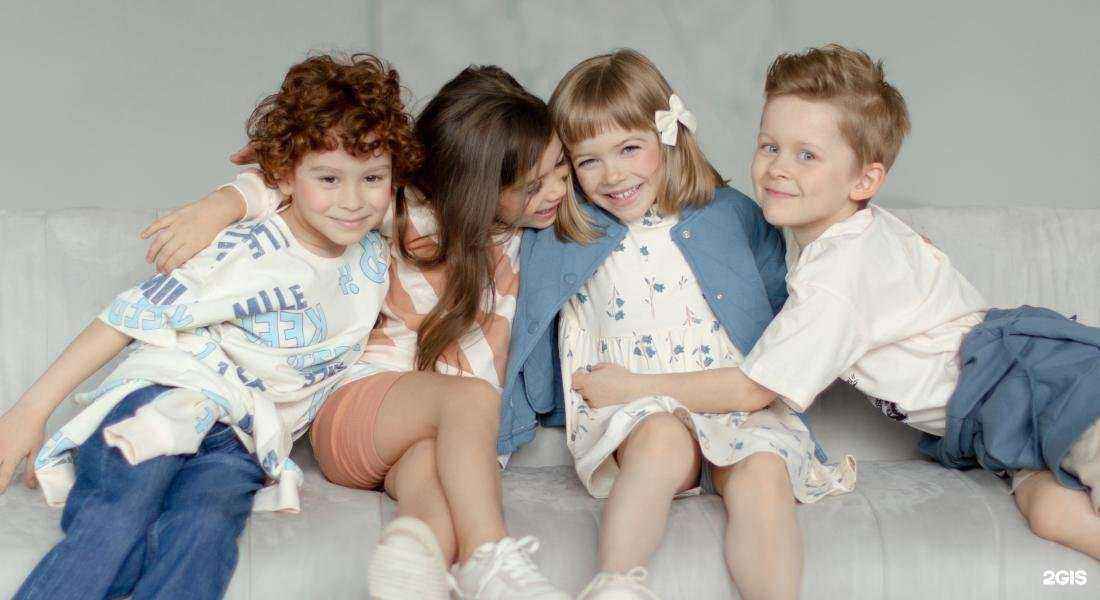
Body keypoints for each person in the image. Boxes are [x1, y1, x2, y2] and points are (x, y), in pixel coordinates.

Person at [587, 43, 1100, 563]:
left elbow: (752, 390)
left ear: (865, 180)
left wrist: (632, 386)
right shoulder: (830, 237)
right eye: (769, 147)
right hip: (999, 424)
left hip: (1044, 386)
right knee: (1052, 514)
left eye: (806, 155)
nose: (778, 169)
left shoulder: (841, 271)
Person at [140, 65, 585, 599]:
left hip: (422, 441)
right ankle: (493, 559)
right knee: (470, 397)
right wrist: (224, 203)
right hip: (357, 413)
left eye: (561, 167)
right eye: (533, 185)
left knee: (432, 497)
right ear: (477, 186)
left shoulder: (533, 239)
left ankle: (411, 564)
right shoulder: (406, 214)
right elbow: (309, 183)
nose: (558, 189)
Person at [0, 52, 416, 599]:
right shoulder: (249, 248)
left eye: (372, 178)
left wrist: (236, 195)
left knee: (202, 533)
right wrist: (30, 411)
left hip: (241, 442)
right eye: (329, 178)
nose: (353, 200)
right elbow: (128, 317)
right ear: (287, 174)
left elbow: (454, 200)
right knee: (119, 521)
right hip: (167, 399)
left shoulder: (378, 246)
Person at [514, 49, 855, 600]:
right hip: (634, 404)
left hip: (730, 396)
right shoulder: (567, 233)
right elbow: (517, 307)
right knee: (661, 446)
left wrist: (883, 246)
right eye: (588, 160)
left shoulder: (732, 213)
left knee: (763, 473)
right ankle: (616, 584)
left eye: (629, 149)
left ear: (667, 138)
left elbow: (785, 296)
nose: (614, 175)